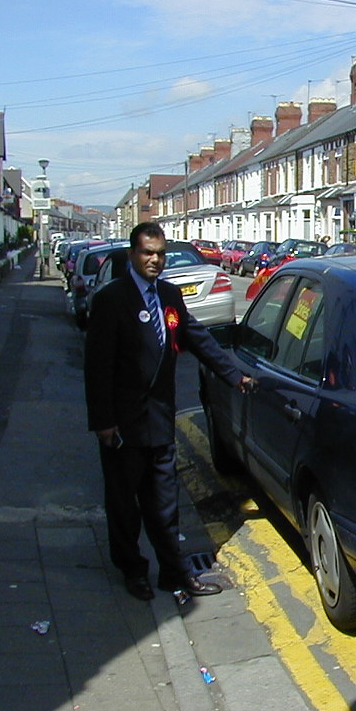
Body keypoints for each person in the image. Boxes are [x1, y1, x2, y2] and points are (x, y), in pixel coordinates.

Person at [84, 222, 253, 601]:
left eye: (160, 253)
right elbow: (96, 367)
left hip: (160, 421)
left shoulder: (169, 294)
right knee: (124, 506)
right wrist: (103, 422)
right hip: (122, 425)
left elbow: (196, 337)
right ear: (132, 255)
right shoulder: (111, 300)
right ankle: (132, 570)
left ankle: (174, 574)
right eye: (147, 253)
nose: (155, 260)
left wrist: (234, 375)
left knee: (165, 505)